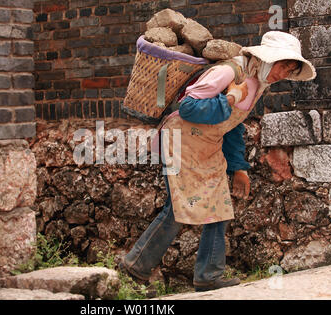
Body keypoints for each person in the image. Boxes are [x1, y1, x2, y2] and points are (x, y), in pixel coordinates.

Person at [119, 31, 316, 292]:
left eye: (289, 70)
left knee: (219, 206)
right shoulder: (229, 72)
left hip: (208, 143)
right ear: (267, 58)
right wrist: (231, 97)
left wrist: (238, 167)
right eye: (282, 65)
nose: (282, 74)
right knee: (178, 208)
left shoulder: (257, 81)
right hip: (182, 140)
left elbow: (232, 126)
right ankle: (134, 269)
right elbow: (188, 107)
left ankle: (208, 275)